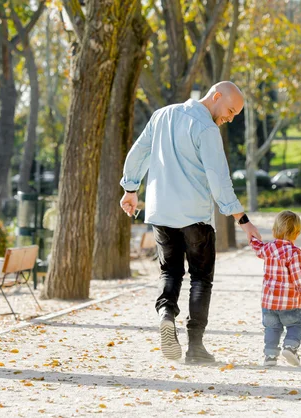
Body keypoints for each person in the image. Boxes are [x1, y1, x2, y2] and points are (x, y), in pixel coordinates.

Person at [119, 81, 261, 364]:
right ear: (216, 96)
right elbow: (219, 181)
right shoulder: (207, 129)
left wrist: (130, 188)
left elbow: (139, 152)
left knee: (170, 273)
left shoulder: (162, 115)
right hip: (195, 217)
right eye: (230, 110)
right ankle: (195, 347)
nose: (230, 118)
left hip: (161, 213)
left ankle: (166, 314)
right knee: (200, 279)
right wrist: (243, 220)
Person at [250, 210, 301, 367]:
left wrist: (252, 237)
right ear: (297, 233)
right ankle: (290, 347)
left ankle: (270, 357)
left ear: (274, 230)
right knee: (295, 325)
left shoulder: (268, 249)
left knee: (272, 329)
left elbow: (257, 247)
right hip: (290, 303)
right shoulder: (294, 252)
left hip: (269, 303)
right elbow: (299, 277)